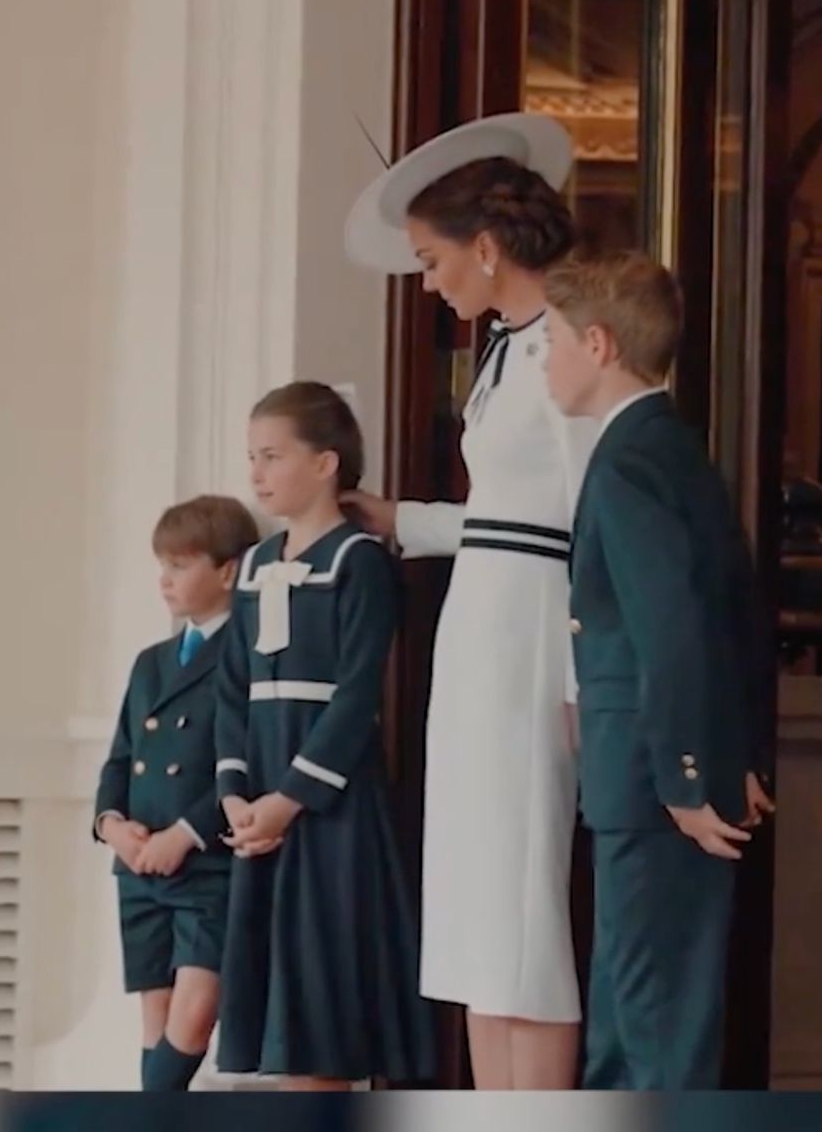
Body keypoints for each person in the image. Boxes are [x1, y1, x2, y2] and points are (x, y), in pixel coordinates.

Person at [343, 113, 597, 1090]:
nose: (429, 280)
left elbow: (587, 528)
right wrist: (399, 518)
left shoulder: (575, 343)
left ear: (485, 249)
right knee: (478, 903)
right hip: (483, 628)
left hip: (534, 638)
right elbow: (505, 516)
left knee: (520, 903)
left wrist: (581, 673)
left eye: (431, 259)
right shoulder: (502, 353)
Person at [541, 247, 775, 1089]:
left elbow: (672, 631)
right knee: (628, 1013)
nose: (545, 361)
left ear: (598, 344)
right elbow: (734, 616)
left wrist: (686, 776)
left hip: (651, 784)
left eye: (554, 341)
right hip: (652, 780)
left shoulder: (631, 459)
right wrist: (733, 753)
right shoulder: (667, 446)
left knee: (654, 1022)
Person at [215, 381, 433, 1091]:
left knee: (325, 998)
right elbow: (232, 688)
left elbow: (356, 695)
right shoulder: (252, 565)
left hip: (327, 805)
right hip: (260, 804)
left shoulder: (358, 562)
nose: (257, 473)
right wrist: (235, 794)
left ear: (326, 463)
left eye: (272, 455)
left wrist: (289, 800)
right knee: (279, 1005)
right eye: (252, 457)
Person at [93, 494, 258, 1091]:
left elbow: (247, 766)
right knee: (155, 1022)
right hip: (139, 866)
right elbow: (118, 759)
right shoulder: (151, 662)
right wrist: (112, 824)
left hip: (205, 862)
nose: (165, 579)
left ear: (227, 570)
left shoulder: (247, 659)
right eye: (162, 564)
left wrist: (184, 836)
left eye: (181, 564)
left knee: (192, 1020)